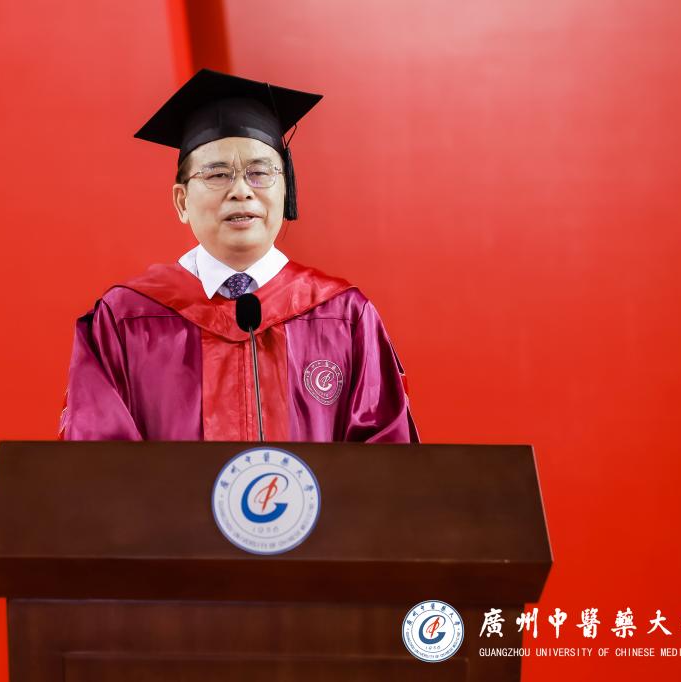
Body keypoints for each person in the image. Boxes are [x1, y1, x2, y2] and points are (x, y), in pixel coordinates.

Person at [59, 69, 418, 443]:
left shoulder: (344, 316)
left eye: (260, 172)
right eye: (218, 175)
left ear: (285, 189)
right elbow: (99, 462)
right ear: (182, 201)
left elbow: (385, 463)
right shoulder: (127, 318)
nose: (242, 191)